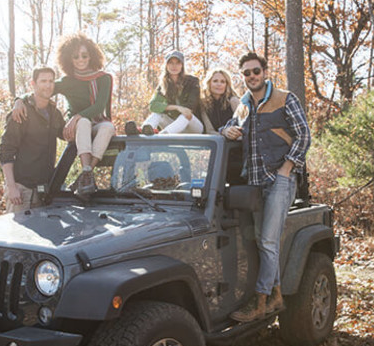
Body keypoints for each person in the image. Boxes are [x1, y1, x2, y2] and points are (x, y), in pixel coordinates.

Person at [220, 52, 311, 322]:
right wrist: (226, 131)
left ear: (265, 71)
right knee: (263, 241)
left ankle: (260, 301)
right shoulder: (245, 104)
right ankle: (278, 297)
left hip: (280, 180)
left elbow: (304, 134)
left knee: (268, 241)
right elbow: (229, 126)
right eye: (246, 73)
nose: (251, 77)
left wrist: (287, 169)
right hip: (255, 183)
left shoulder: (285, 98)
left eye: (255, 71)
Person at [12, 33, 116, 195]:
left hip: (97, 122)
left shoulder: (104, 79)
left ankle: (86, 173)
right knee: (83, 123)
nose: (80, 60)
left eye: (84, 56)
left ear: (91, 57)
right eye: (75, 56)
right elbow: (40, 92)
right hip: (78, 128)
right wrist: (19, 100)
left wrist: (76, 116)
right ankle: (87, 171)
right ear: (68, 59)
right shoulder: (67, 82)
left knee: (108, 127)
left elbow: (99, 106)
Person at [0, 67, 65, 213]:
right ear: (33, 84)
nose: (48, 85)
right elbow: (6, 151)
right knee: (17, 236)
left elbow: (67, 135)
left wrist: (83, 122)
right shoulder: (21, 112)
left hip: (45, 192)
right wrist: (12, 187)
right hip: (22, 191)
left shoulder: (55, 113)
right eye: (43, 81)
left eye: (51, 81)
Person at [127, 50, 203, 135]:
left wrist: (169, 107)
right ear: (166, 65)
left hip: (193, 125)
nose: (174, 66)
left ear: (182, 65)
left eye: (178, 63)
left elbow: (190, 106)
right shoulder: (163, 85)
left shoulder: (192, 81)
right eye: (171, 63)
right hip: (173, 126)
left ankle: (162, 136)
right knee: (158, 114)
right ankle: (142, 131)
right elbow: (153, 106)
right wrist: (176, 107)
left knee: (185, 114)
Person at [201, 68, 240, 134]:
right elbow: (209, 130)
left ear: (226, 84)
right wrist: (223, 132)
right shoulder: (203, 104)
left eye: (222, 82)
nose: (219, 84)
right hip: (215, 140)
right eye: (215, 81)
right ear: (209, 83)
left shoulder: (233, 101)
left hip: (236, 140)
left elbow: (244, 125)